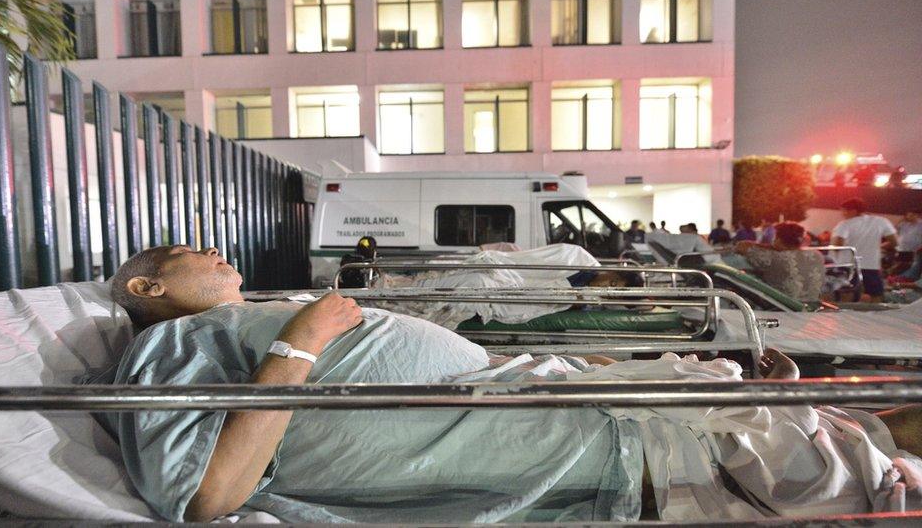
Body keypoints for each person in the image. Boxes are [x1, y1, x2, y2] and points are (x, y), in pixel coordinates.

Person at [107, 246, 922, 523]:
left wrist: (616, 366)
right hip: (629, 445)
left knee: (855, 432)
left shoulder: (225, 330)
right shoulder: (174, 345)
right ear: (148, 289)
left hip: (617, 406)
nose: (215, 249)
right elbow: (207, 494)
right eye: (188, 250)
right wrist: (303, 337)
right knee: (872, 477)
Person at [734, 222, 825, 302]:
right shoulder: (816, 255)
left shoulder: (774, 258)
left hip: (781, 309)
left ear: (778, 240)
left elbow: (741, 246)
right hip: (812, 308)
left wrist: (768, 246)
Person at [832, 198, 898, 302]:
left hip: (848, 265)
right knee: (876, 295)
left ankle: (845, 317)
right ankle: (876, 317)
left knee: (846, 294)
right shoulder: (881, 221)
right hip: (871, 265)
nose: (843, 214)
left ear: (853, 211)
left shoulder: (845, 224)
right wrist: (878, 247)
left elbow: (838, 244)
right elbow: (894, 242)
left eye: (844, 211)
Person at [892, 210, 922, 275]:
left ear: (916, 215)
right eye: (907, 215)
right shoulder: (904, 224)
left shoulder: (920, 224)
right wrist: (901, 220)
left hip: (914, 250)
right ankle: (896, 277)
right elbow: (893, 230)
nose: (908, 217)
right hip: (902, 249)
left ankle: (905, 278)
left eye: (910, 215)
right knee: (899, 265)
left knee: (910, 266)